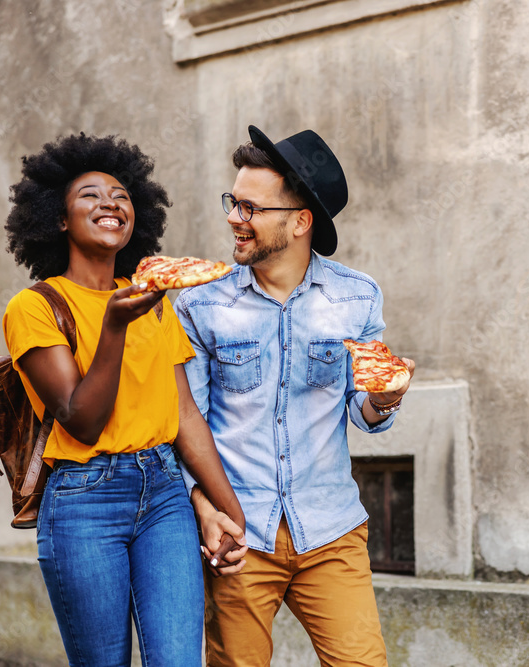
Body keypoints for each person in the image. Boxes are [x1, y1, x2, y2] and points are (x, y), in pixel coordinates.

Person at [2, 132, 248, 667]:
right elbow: (81, 419)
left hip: (163, 496)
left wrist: (233, 514)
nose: (111, 202)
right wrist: (114, 325)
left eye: (121, 194)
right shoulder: (35, 306)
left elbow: (185, 415)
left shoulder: (154, 301)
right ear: (58, 219)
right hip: (83, 501)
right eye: (90, 194)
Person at [175, 125, 415, 666]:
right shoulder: (200, 304)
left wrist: (388, 397)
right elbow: (186, 420)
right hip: (239, 534)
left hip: (331, 529)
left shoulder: (357, 296)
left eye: (251, 208)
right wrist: (204, 509)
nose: (235, 217)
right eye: (233, 203)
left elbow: (364, 407)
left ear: (300, 221)